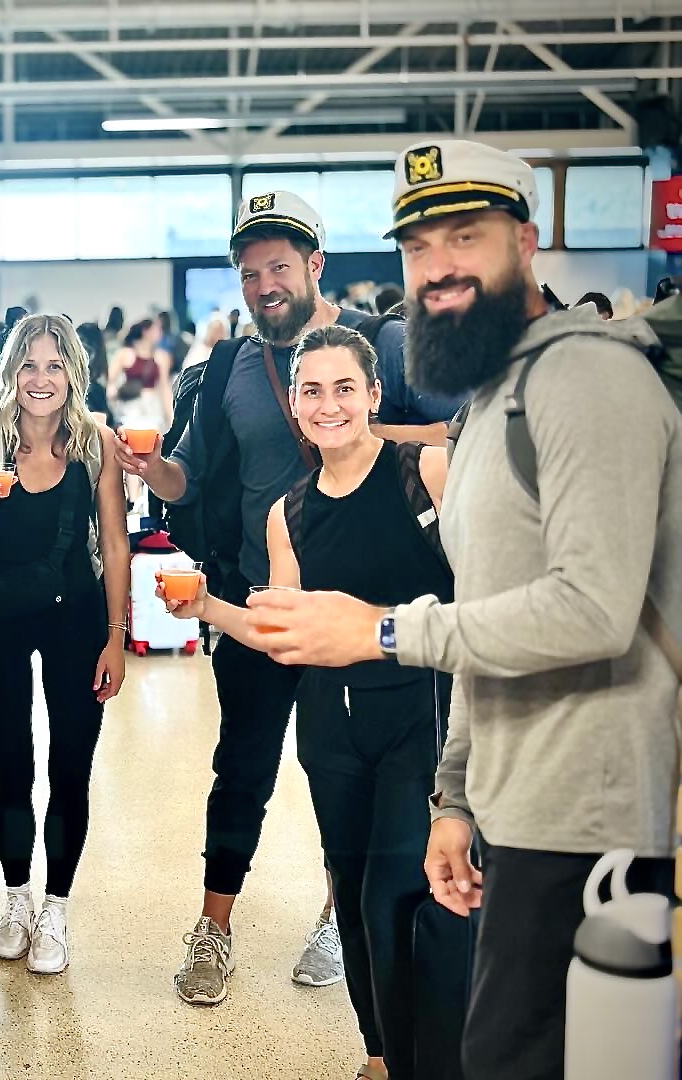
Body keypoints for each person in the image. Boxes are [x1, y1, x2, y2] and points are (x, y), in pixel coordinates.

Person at [246, 139, 681, 1080]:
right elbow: (490, 621)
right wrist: (457, 797)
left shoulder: (586, 381)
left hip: (601, 821)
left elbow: (593, 610)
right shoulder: (485, 411)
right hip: (519, 812)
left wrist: (381, 628)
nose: (436, 266)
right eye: (417, 246)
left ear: (525, 242)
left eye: (464, 236)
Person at [115, 190, 452, 1007]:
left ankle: (342, 918)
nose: (264, 282)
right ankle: (215, 927)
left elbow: (457, 431)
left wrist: (356, 433)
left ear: (314, 266)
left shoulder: (386, 346)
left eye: (279, 265)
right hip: (261, 595)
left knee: (365, 772)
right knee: (243, 766)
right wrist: (146, 471)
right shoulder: (230, 365)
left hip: (372, 610)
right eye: (250, 270)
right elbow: (189, 473)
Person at [163, 324, 454, 1080]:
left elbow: (480, 599)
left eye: (345, 389)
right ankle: (381, 1054)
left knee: (399, 893)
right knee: (355, 898)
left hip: (420, 718)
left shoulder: (426, 472)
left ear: (373, 395)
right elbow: (279, 629)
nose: (329, 406)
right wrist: (207, 613)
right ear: (293, 406)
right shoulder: (287, 513)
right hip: (331, 727)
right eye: (313, 391)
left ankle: (424, 1056)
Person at [0, 314, 129, 975]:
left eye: (55, 365)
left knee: (70, 771)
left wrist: (116, 637)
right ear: (10, 373)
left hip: (77, 616)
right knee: (13, 769)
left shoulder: (95, 443)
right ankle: (17, 899)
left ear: (73, 375)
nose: (41, 378)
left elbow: (114, 543)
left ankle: (56, 908)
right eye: (29, 364)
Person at [109, 318, 174, 432]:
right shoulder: (125, 354)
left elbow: (164, 387)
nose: (160, 333)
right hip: (130, 406)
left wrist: (170, 416)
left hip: (152, 407)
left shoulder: (161, 357)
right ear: (146, 331)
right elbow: (111, 379)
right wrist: (113, 395)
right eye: (156, 330)